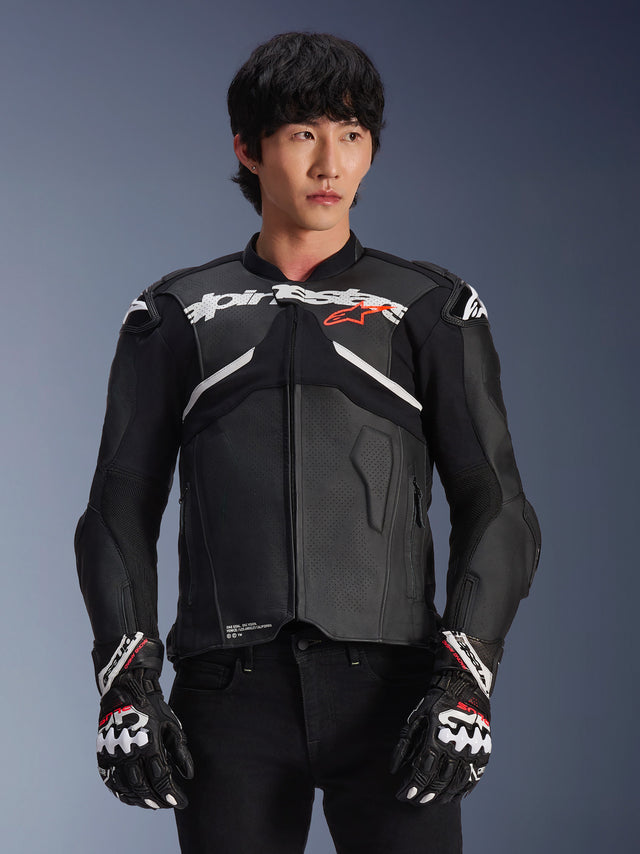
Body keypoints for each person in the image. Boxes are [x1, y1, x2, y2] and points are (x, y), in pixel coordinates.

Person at [75, 32, 540, 854]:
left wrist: (467, 680)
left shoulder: (429, 306)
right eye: (302, 134)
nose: (331, 163)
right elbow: (118, 506)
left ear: (371, 151)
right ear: (248, 150)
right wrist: (125, 680)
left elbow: (496, 503)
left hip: (395, 693)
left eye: (352, 134)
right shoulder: (174, 313)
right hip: (228, 695)